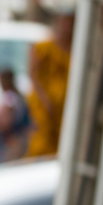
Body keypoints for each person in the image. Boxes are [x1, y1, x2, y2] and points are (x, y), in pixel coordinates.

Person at [25, 11, 74, 157]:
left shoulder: (78, 50)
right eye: (65, 22)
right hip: (46, 110)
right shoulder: (44, 47)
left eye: (71, 23)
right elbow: (33, 75)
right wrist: (45, 100)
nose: (68, 27)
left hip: (66, 111)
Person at [0, 69, 31, 164]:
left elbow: (6, 120)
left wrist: (0, 126)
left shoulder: (9, 97)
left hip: (6, 141)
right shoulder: (18, 96)